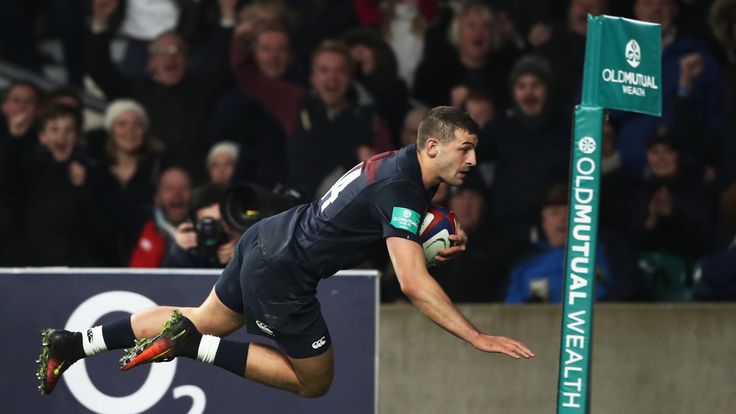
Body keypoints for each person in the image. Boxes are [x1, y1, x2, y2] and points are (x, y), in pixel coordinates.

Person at [37, 106, 534, 397]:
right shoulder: (403, 189)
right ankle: (190, 346)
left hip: (270, 235)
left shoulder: (401, 167)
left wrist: (437, 231)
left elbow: (386, 215)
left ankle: (73, 344)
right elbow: (410, 281)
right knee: (314, 382)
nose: (472, 160)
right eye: (464, 148)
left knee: (204, 315)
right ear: (431, 148)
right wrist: (475, 336)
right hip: (286, 274)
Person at [129, 167, 193, 268]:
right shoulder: (137, 231)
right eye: (169, 188)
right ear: (157, 198)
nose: (177, 194)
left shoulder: (204, 231)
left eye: (183, 188)